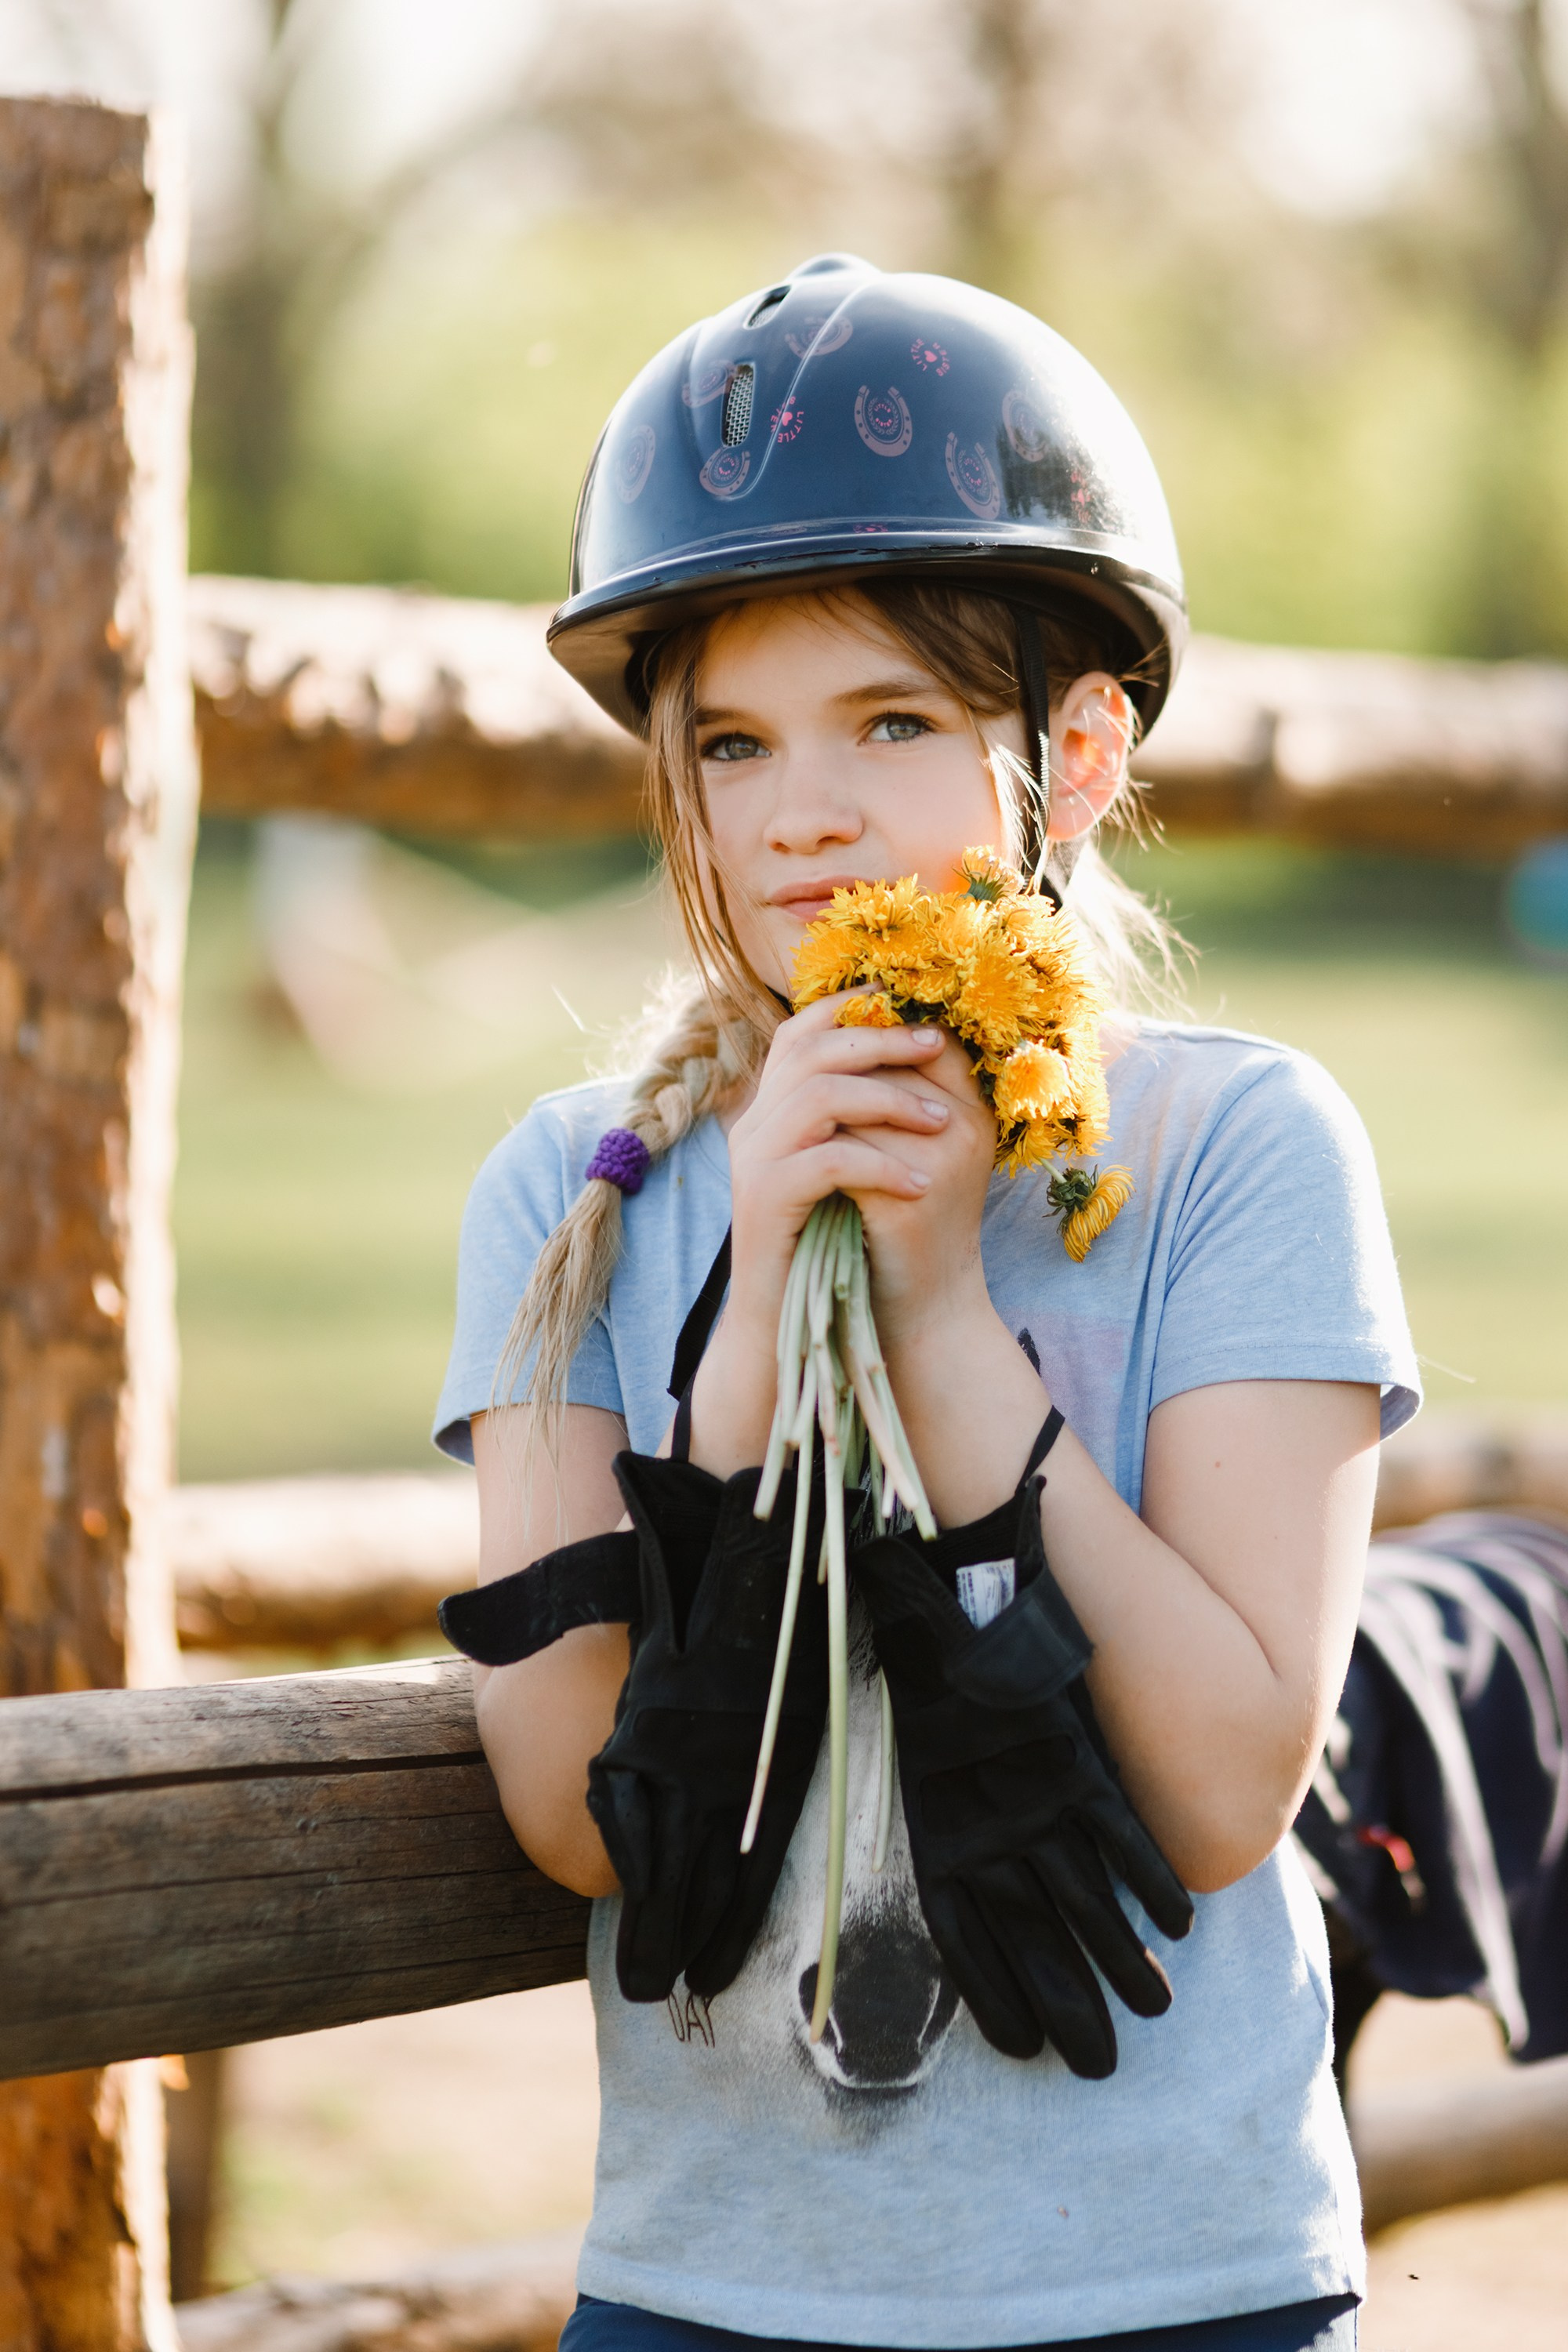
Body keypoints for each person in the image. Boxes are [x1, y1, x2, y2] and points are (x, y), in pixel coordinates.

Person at [432, 256, 1420, 2352]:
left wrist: (944, 1312)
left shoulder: (1246, 1152)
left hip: (1182, 2289)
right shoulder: (570, 1192)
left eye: (890, 721)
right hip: (714, 2298)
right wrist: (752, 1317)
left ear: (1070, 762)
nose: (803, 811)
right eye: (733, 742)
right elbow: (570, 1808)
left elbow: (1230, 1780)